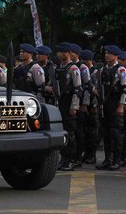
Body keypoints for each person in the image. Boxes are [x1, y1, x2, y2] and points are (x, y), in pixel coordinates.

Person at [96, 45, 126, 171]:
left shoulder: (121, 70)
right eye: (106, 53)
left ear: (115, 56)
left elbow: (125, 89)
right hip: (105, 104)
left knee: (116, 134)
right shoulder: (103, 69)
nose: (106, 55)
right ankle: (107, 159)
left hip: (116, 104)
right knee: (106, 133)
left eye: (109, 54)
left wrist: (121, 106)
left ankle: (117, 160)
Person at [55, 42, 82, 171]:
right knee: (62, 132)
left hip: (69, 102)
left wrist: (74, 106)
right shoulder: (59, 68)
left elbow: (78, 89)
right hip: (60, 102)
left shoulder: (74, 69)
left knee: (70, 133)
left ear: (66, 53)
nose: (58, 54)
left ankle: (71, 159)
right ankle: (64, 158)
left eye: (60, 52)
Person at [80, 49, 100, 164]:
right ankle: (86, 153)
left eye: (84, 60)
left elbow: (95, 90)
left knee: (92, 131)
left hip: (92, 104)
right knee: (84, 130)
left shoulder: (95, 72)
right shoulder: (83, 70)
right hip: (84, 103)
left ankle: (91, 155)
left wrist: (94, 105)